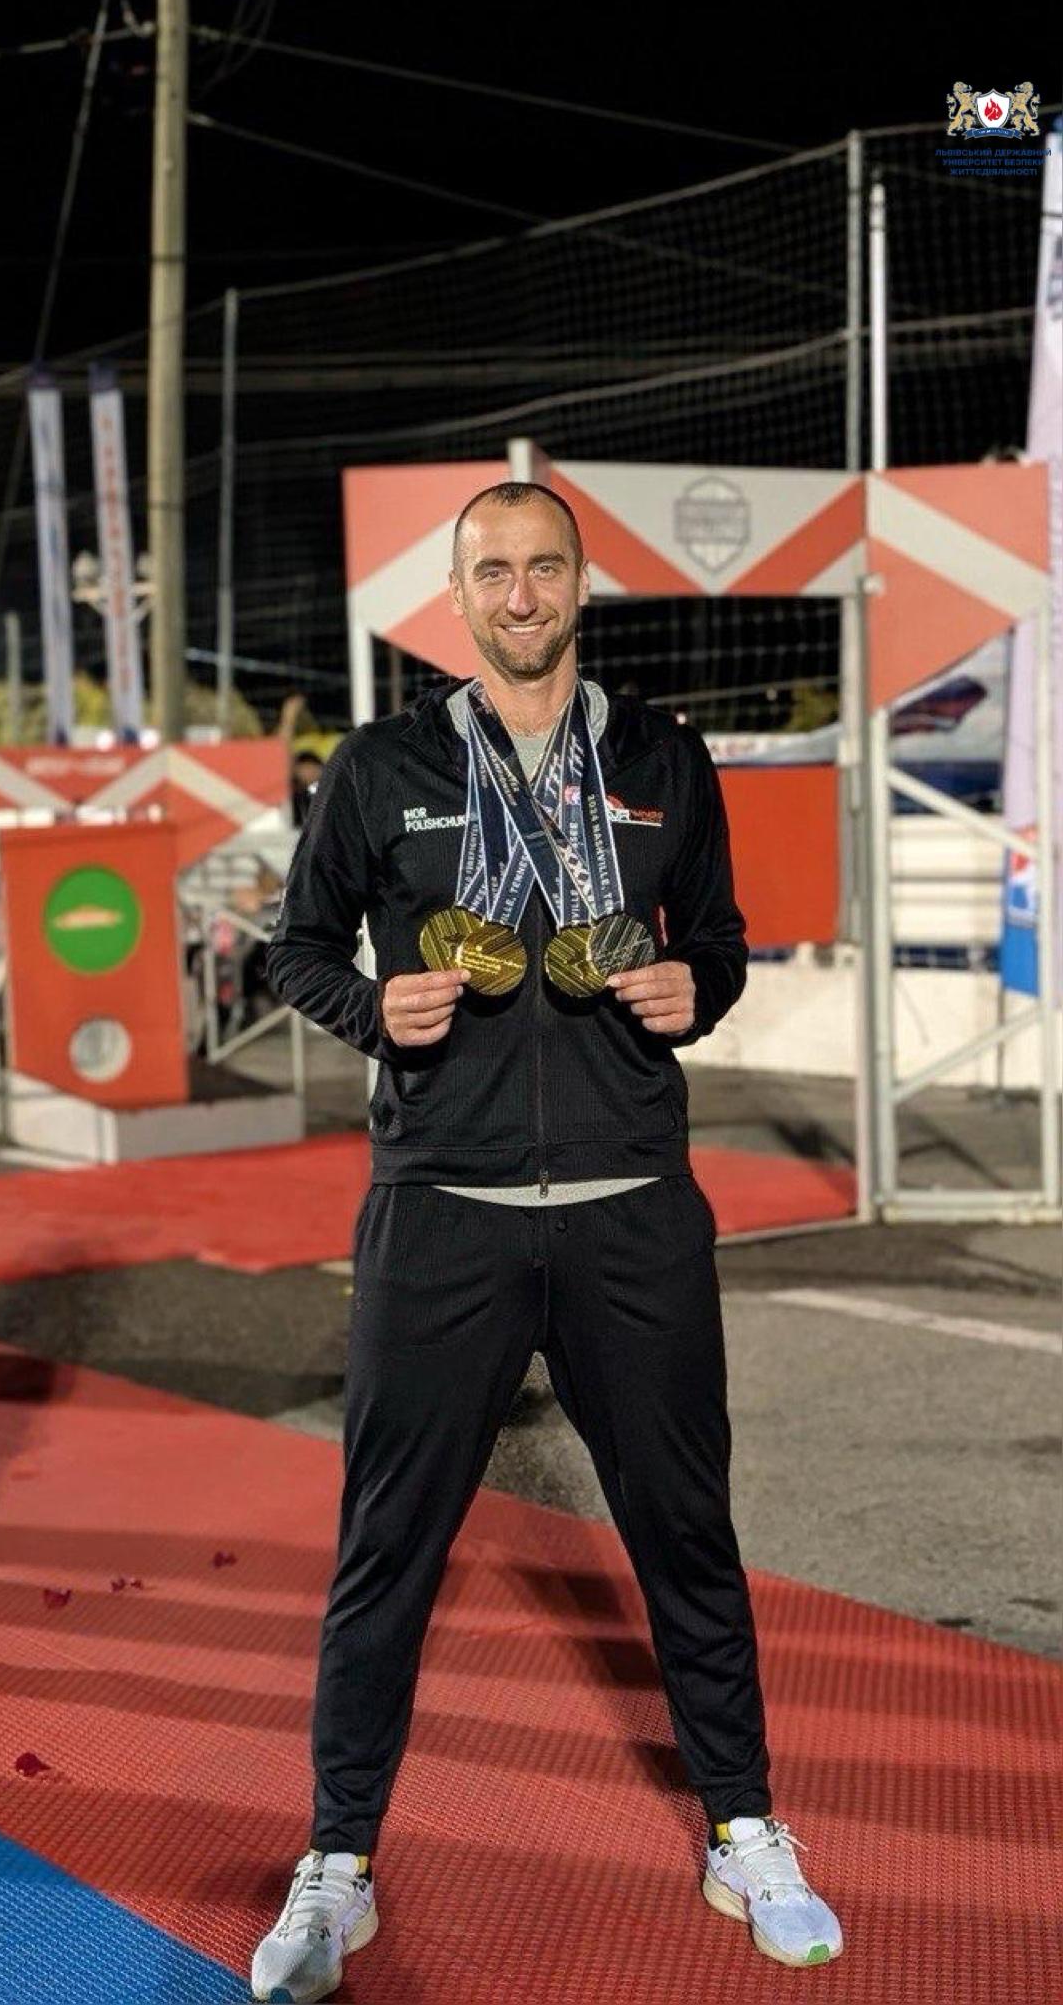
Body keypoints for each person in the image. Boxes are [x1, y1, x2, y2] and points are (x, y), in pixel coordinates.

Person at [256, 483, 843, 2000]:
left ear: (583, 586)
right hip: (439, 1210)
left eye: (543, 567)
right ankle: (337, 1858)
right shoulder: (381, 766)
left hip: (629, 1205)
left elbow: (720, 942)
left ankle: (745, 1828)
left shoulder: (663, 757)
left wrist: (696, 993)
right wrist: (369, 1008)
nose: (520, 594)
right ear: (455, 597)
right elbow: (297, 947)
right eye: (492, 571)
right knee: (386, 1549)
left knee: (687, 1534)